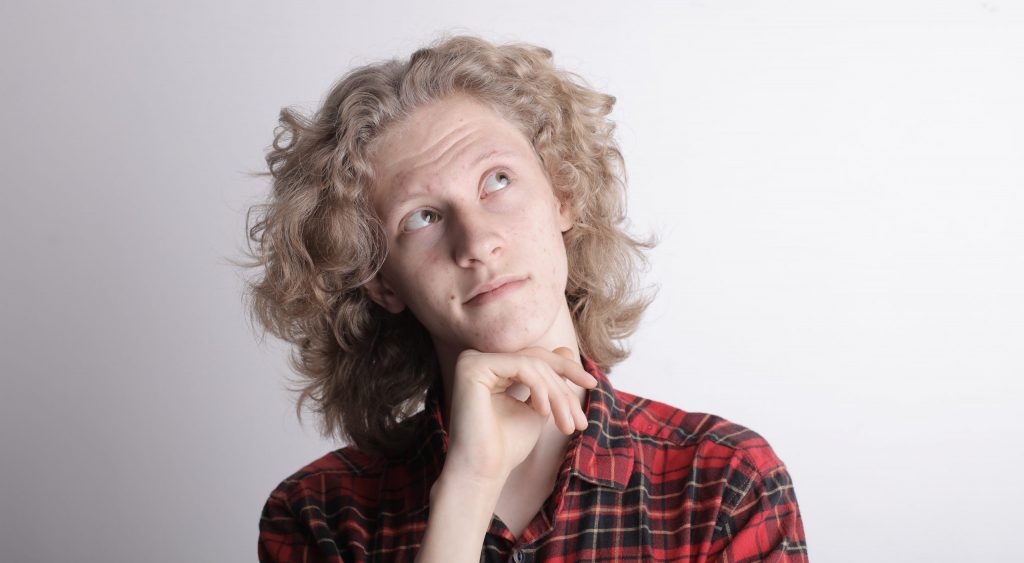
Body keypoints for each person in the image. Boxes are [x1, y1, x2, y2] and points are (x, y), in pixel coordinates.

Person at [247, 35, 808, 562]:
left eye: (497, 181)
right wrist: (467, 488)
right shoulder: (318, 517)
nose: (477, 242)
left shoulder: (724, 486)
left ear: (562, 194)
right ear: (380, 280)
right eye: (422, 217)